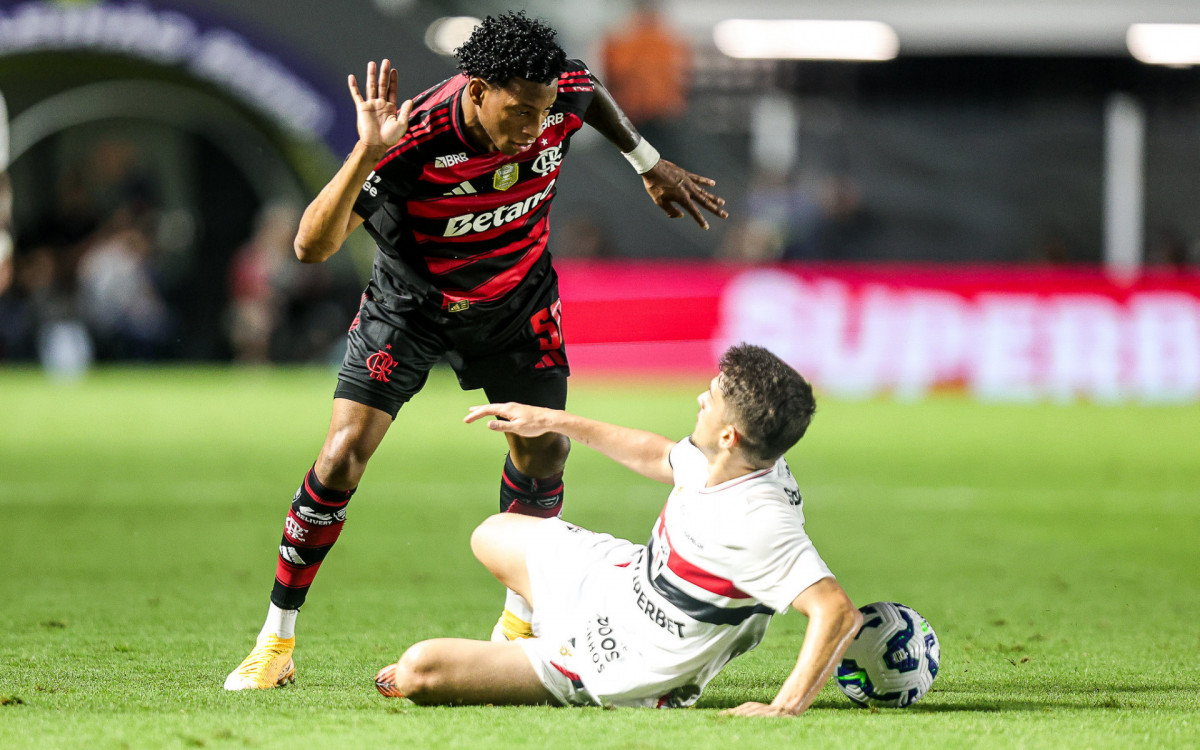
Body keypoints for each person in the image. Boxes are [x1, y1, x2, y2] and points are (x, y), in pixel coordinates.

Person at [224, 12, 728, 690]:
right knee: (341, 455)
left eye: (543, 112)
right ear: (479, 89)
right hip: (411, 309)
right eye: (520, 111)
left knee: (544, 452)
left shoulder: (560, 94)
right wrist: (364, 154)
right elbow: (310, 247)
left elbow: (587, 92)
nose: (535, 127)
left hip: (516, 305)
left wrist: (648, 163)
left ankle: (516, 630)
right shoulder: (414, 139)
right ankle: (275, 643)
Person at [373, 344, 862, 715]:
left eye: (711, 397)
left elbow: (837, 612)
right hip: (619, 583)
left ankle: (530, 658)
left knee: (418, 671)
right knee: (492, 533)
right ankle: (515, 639)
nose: (701, 398)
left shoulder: (758, 520)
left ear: (729, 435)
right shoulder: (735, 457)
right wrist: (551, 419)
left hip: (620, 662)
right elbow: (658, 454)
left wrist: (784, 707)